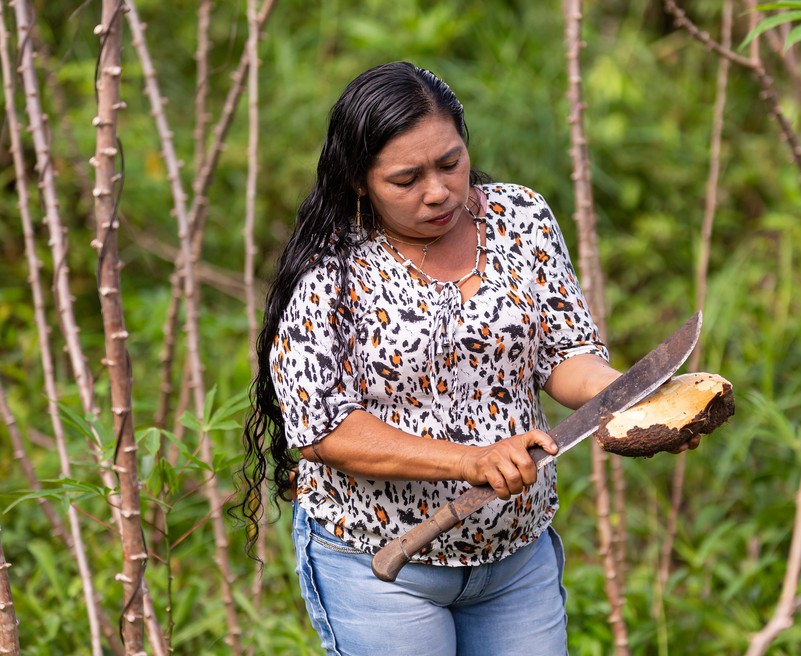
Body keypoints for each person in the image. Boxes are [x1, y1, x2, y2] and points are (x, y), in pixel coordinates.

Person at [239, 61, 692, 655]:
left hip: (514, 559)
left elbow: (565, 355)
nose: (437, 191)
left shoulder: (519, 220)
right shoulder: (332, 274)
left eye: (450, 163)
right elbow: (323, 432)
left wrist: (631, 400)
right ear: (358, 181)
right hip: (384, 565)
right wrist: (471, 461)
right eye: (406, 179)